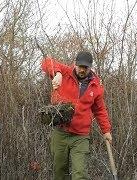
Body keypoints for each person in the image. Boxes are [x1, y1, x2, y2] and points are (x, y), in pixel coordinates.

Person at [41, 51, 113, 180]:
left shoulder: (96, 86)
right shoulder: (65, 72)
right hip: (60, 132)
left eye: (85, 67)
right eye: (80, 66)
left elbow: (100, 110)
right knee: (59, 171)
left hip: (81, 136)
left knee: (79, 174)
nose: (82, 69)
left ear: (90, 67)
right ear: (75, 64)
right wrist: (57, 74)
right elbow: (46, 62)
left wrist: (106, 130)